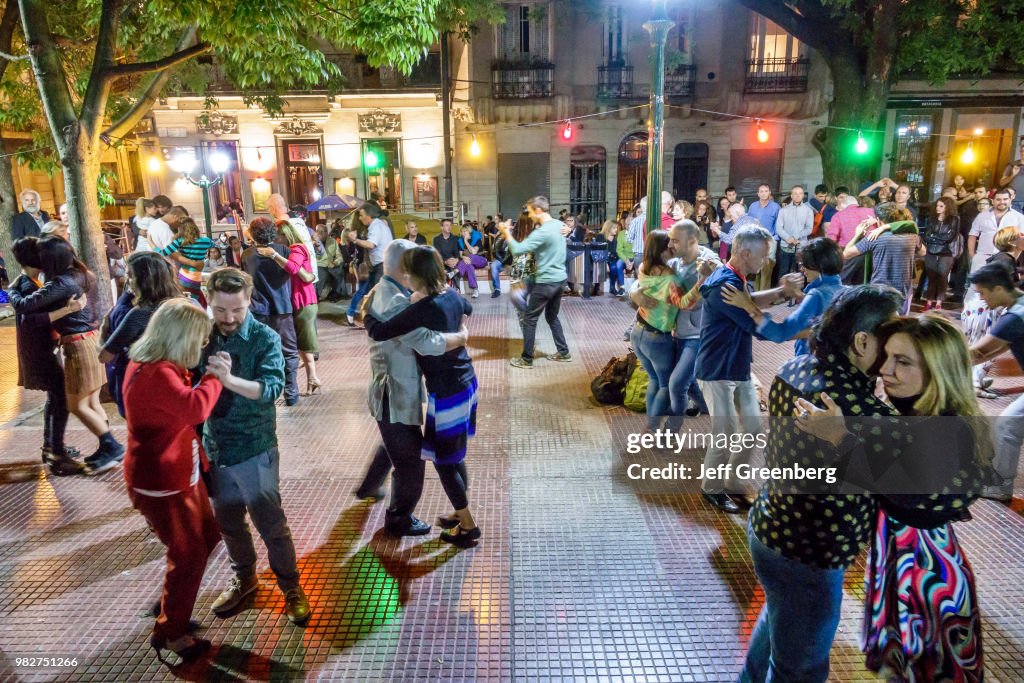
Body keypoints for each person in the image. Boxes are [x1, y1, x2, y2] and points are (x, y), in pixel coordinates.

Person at [795, 314, 988, 682]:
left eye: (903, 362)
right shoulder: (919, 413)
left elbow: (904, 490)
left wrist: (840, 438)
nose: (885, 369)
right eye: (887, 357)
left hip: (925, 575)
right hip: (902, 558)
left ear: (939, 370)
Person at [740, 284, 906, 683]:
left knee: (779, 623)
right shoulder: (862, 410)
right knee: (800, 667)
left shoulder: (795, 368)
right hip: (811, 553)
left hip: (771, 528)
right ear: (863, 341)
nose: (896, 356)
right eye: (893, 342)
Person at [201, 268, 311, 625]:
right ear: (208, 301)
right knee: (229, 523)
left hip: (255, 447)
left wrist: (227, 379)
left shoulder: (263, 337)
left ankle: (291, 587)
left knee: (271, 525)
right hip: (215, 448)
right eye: (220, 310)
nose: (229, 319)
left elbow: (271, 389)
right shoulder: (201, 336)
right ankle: (245, 579)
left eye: (237, 310)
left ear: (249, 302)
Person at [122, 299, 225, 665]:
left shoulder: (155, 363)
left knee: (207, 537)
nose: (202, 346)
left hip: (183, 473)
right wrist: (215, 377)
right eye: (199, 339)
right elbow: (195, 408)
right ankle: (171, 632)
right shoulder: (156, 373)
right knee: (188, 554)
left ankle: (171, 609)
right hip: (164, 483)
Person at [364, 246, 481, 547]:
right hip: (465, 383)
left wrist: (367, 317)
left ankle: (467, 525)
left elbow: (385, 331)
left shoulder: (418, 306)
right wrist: (462, 332)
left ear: (412, 275)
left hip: (447, 391)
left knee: (443, 460)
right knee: (450, 454)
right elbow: (467, 309)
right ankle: (458, 514)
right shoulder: (450, 295)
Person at [9, 236, 124, 474]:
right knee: (88, 400)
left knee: (75, 404)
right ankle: (101, 445)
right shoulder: (81, 274)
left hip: (78, 344)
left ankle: (109, 445)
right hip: (88, 340)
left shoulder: (59, 283)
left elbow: (24, 308)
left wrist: (10, 290)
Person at [696, 224, 783, 513]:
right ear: (745, 252)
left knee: (753, 427)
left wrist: (780, 292)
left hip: (738, 367)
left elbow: (751, 305)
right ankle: (712, 488)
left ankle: (733, 483)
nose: (766, 261)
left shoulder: (736, 278)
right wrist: (801, 330)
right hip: (717, 368)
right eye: (763, 255)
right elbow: (756, 326)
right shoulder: (726, 285)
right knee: (726, 432)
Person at [7, 237, 87, 475]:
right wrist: (69, 309)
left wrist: (10, 291)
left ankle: (52, 447)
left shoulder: (28, 282)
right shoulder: (27, 285)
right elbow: (31, 320)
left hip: (43, 347)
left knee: (56, 397)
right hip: (39, 350)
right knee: (60, 397)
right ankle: (56, 454)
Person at [629, 221, 718, 426]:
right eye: (669, 241)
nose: (671, 244)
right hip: (663, 335)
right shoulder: (672, 267)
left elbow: (687, 300)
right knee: (669, 384)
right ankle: (653, 428)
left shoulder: (708, 261)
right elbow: (683, 302)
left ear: (692, 240)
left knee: (675, 384)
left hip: (688, 335)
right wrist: (634, 294)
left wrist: (704, 276)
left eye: (675, 241)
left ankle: (664, 431)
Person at [723, 237, 847, 356]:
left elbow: (780, 333)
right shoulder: (846, 292)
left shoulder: (816, 295)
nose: (802, 269)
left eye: (805, 264)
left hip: (811, 366)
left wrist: (747, 305)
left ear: (818, 266)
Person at [99, 252, 182, 417]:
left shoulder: (140, 314)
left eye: (131, 276)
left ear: (146, 281)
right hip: (179, 385)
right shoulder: (186, 304)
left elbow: (105, 356)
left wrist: (103, 331)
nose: (128, 282)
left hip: (146, 389)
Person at [969, 264, 1024, 500]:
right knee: (1009, 425)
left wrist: (934, 360)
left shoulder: (1014, 317)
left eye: (983, 293)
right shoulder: (1018, 308)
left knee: (1008, 425)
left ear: (999, 288)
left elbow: (979, 352)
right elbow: (996, 348)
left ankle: (1000, 486)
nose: (981, 299)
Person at [499, 196, 572, 368]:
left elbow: (516, 250)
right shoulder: (559, 225)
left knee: (530, 319)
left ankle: (526, 359)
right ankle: (564, 352)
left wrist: (505, 231)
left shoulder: (543, 231)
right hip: (560, 280)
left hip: (546, 282)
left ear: (538, 210)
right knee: (551, 316)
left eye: (531, 211)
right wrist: (567, 228)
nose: (530, 215)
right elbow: (566, 229)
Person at [241, 217, 301, 406]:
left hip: (258, 309)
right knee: (289, 352)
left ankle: (265, 392)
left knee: (260, 351)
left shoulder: (247, 255)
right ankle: (291, 393)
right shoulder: (283, 250)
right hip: (282, 308)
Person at [262, 219, 320, 395]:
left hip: (304, 300)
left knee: (304, 342)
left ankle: (313, 378)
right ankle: (313, 379)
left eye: (278, 236)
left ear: (285, 234)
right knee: (301, 342)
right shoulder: (291, 249)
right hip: (299, 300)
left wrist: (273, 255)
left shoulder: (297, 248)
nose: (276, 240)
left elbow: (294, 268)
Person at [843, 206, 919, 312]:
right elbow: (923, 251)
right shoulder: (912, 236)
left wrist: (858, 234)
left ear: (879, 220)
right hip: (903, 288)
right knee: (899, 322)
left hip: (879, 288)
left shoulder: (874, 237)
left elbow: (846, 254)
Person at [346, 202, 393, 326]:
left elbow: (371, 244)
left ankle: (375, 320)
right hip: (375, 265)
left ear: (368, 215)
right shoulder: (376, 225)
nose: (360, 218)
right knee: (371, 292)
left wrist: (355, 240)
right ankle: (368, 317)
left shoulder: (376, 226)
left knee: (375, 293)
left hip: (380, 265)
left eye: (361, 215)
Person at [159, 217, 216, 306]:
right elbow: (215, 245)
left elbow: (162, 253)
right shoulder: (206, 241)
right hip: (196, 275)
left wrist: (152, 244)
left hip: (184, 275)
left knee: (188, 301)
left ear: (181, 229)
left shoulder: (180, 241)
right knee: (194, 300)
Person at [775, 186, 814, 278]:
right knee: (783, 273)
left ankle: (798, 292)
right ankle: (782, 292)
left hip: (801, 246)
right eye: (795, 193)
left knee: (800, 273)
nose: (797, 196)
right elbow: (779, 228)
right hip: (786, 246)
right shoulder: (783, 210)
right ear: (791, 195)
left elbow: (809, 229)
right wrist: (788, 238)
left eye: (800, 193)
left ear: (803, 195)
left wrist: (795, 237)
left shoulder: (808, 211)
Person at [315, 222, 348, 301]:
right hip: (319, 265)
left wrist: (335, 263)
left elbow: (339, 256)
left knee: (339, 270)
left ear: (326, 233)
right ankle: (317, 295)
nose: (319, 233)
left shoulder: (332, 241)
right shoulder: (313, 242)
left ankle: (337, 293)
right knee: (322, 272)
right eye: (317, 231)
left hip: (330, 265)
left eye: (322, 231)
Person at [457, 224, 488, 298]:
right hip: (468, 262)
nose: (463, 233)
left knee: (471, 256)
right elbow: (460, 255)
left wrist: (466, 241)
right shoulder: (459, 241)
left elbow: (474, 252)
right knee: (469, 267)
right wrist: (464, 257)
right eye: (462, 232)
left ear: (469, 232)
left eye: (465, 231)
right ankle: (475, 289)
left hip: (480, 260)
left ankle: (456, 272)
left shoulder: (476, 239)